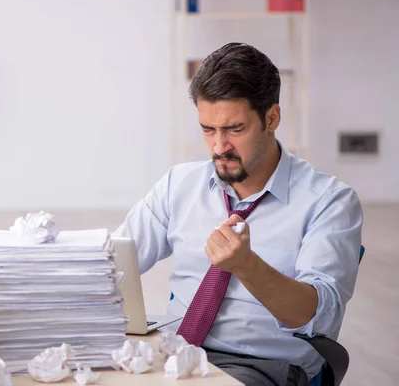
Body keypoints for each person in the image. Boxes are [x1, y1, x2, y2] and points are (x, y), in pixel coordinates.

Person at [113, 42, 363, 386]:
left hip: (262, 365)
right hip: (173, 352)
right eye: (208, 129)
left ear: (271, 118)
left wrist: (247, 265)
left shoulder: (330, 202)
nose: (219, 147)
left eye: (234, 129)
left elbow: (316, 319)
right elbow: (114, 264)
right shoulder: (178, 184)